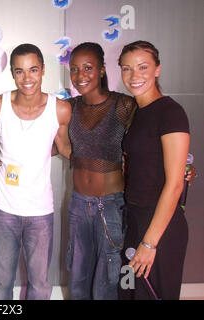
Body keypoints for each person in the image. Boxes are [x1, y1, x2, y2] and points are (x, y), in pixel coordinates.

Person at [0, 43, 71, 300]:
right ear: (12, 73)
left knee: (39, 285)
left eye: (33, 70)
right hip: (3, 209)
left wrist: (120, 161)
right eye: (20, 71)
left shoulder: (60, 109)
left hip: (40, 212)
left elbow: (66, 149)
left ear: (43, 70)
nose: (27, 78)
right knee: (0, 283)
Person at [65, 42, 138, 300]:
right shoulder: (70, 107)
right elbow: (52, 143)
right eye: (74, 69)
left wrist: (182, 167)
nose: (80, 76)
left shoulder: (124, 105)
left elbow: (145, 146)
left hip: (111, 205)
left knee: (107, 280)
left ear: (102, 70)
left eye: (88, 68)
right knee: (77, 278)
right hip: (78, 203)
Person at [118, 41, 189, 300]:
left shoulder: (171, 113)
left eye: (142, 67)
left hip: (159, 228)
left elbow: (175, 184)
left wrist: (150, 244)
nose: (134, 76)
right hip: (134, 221)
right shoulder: (138, 113)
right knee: (126, 291)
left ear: (157, 69)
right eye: (127, 69)